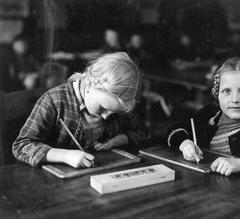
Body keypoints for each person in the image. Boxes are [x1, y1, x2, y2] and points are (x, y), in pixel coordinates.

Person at [13, 52, 148, 168]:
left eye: (115, 112)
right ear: (91, 83)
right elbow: (22, 146)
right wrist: (65, 155)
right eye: (103, 108)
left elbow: (142, 131)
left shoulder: (115, 102)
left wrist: (116, 140)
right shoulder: (54, 101)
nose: (106, 117)